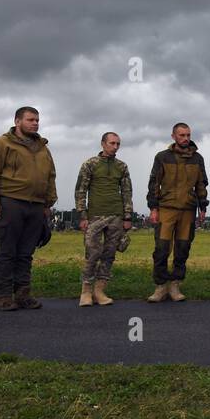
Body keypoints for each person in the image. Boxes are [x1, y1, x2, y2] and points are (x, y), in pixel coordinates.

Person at [0, 106, 57, 311]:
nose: (35, 123)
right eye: (30, 119)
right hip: (10, 202)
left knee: (25, 253)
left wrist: (48, 203)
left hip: (36, 206)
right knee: (6, 251)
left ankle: (22, 295)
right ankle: (3, 296)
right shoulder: (1, 144)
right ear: (17, 121)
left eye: (37, 120)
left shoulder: (42, 148)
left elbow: (50, 176)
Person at [146, 122, 209, 302]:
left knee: (182, 249)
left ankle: (175, 285)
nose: (186, 138)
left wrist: (202, 207)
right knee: (161, 249)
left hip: (188, 210)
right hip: (166, 209)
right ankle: (160, 287)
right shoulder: (162, 157)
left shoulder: (197, 159)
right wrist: (153, 208)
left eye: (188, 135)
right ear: (173, 136)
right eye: (182, 135)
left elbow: (201, 184)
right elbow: (153, 183)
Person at [74, 131, 133, 306]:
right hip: (94, 217)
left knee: (109, 254)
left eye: (118, 144)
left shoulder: (122, 166)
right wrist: (82, 215)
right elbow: (80, 191)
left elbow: (127, 192)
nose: (115, 147)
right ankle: (86, 291)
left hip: (116, 216)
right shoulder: (90, 164)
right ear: (103, 144)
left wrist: (127, 216)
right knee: (92, 253)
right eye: (112, 143)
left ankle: (100, 290)